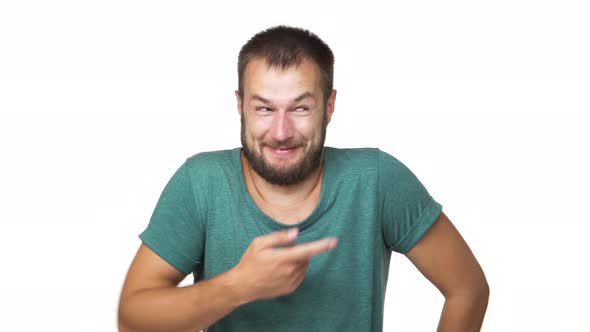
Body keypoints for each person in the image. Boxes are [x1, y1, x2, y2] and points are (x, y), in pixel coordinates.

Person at [118, 25, 489, 332]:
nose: (281, 132)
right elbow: (133, 319)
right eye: (264, 108)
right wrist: (238, 285)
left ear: (329, 106)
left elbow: (467, 289)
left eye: (300, 108)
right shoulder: (201, 183)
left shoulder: (378, 179)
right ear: (239, 105)